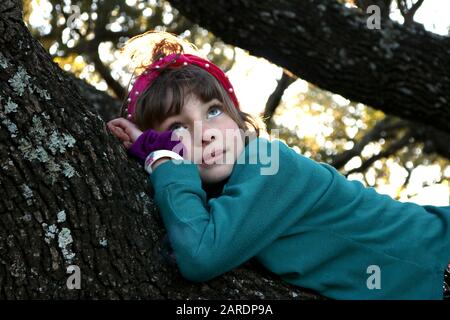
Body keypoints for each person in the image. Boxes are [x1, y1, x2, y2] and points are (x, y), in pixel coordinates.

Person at [107, 31, 450, 300]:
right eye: (177, 128)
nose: (205, 134)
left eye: (213, 111)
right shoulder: (231, 197)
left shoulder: (269, 164)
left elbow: (200, 255)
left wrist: (163, 159)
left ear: (240, 121)